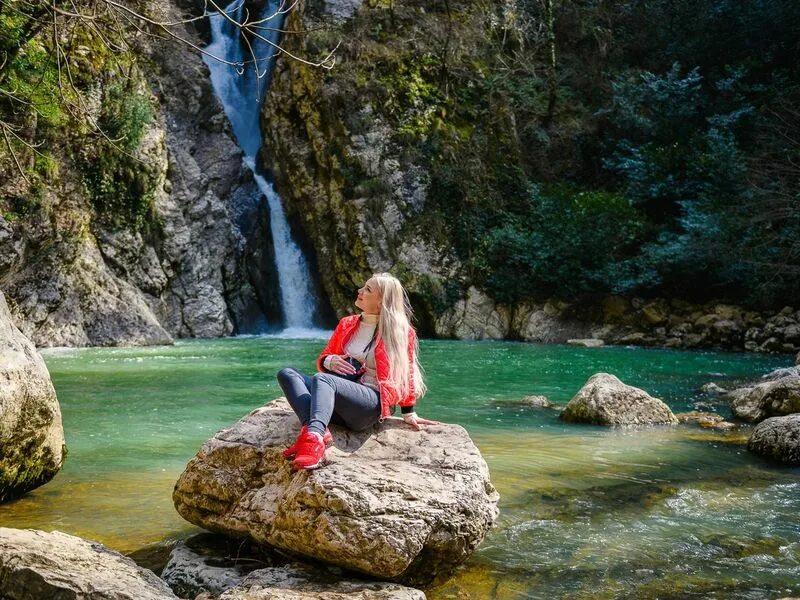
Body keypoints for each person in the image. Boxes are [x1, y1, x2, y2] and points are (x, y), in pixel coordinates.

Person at [276, 272, 438, 470]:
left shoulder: (402, 332)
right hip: (338, 400)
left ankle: (313, 439)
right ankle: (316, 430)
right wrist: (328, 360)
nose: (360, 291)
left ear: (381, 302)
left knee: (323, 380)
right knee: (288, 373)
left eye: (368, 289)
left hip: (368, 405)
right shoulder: (346, 324)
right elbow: (326, 355)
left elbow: (408, 371)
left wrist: (408, 411)